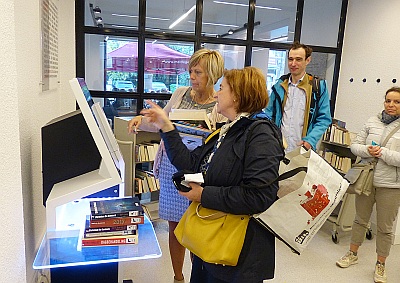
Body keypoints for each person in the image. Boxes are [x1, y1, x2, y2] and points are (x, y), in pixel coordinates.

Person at [140, 66, 284, 283]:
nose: (216, 94)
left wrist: (203, 195)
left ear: (237, 96)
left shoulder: (261, 134)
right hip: (213, 243)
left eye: (222, 88)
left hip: (237, 254)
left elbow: (259, 197)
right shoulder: (228, 130)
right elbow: (190, 163)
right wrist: (166, 126)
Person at [127, 49, 226, 283]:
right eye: (191, 71)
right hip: (173, 167)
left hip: (199, 171)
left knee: (197, 227)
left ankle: (197, 276)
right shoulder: (180, 93)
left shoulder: (219, 104)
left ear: (212, 74)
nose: (192, 76)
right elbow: (162, 123)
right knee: (175, 225)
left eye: (198, 72)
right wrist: (141, 121)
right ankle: (178, 277)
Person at [336, 87, 400, 283]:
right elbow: (354, 145)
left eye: (396, 102)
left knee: (385, 227)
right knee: (360, 219)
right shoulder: (372, 120)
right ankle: (352, 254)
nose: (391, 105)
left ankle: (380, 264)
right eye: (388, 100)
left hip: (390, 185)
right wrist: (367, 150)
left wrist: (383, 154)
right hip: (366, 180)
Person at [264, 41, 332, 152]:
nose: (293, 63)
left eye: (298, 59)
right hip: (277, 148)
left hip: (302, 149)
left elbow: (324, 119)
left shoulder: (318, 87)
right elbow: (268, 114)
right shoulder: (279, 86)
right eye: (290, 59)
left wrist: (310, 140)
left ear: (308, 60)